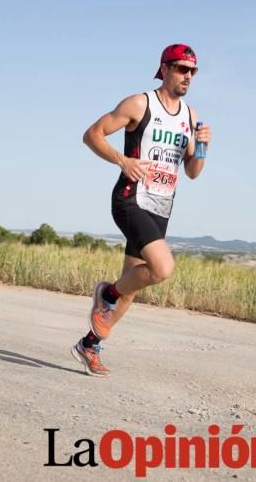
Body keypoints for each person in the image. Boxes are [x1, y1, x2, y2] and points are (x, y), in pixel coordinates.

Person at [71, 44, 212, 376]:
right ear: (163, 69)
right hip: (130, 198)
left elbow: (193, 171)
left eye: (192, 71)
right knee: (162, 268)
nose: (187, 76)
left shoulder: (190, 116)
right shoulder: (140, 103)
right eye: (180, 68)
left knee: (132, 287)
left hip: (161, 207)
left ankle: (89, 345)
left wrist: (203, 144)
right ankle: (106, 293)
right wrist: (122, 160)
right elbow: (92, 135)